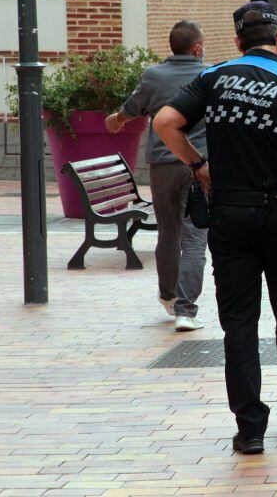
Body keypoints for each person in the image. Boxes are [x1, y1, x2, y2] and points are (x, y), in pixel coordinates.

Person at [153, 1, 277, 456]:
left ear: (237, 41)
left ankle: (250, 427)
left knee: (240, 325)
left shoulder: (213, 78)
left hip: (230, 219)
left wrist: (199, 165)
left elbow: (165, 122)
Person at [104, 20, 209, 332]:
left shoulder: (153, 75)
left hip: (162, 167)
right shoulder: (209, 76)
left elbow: (133, 107)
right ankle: (186, 311)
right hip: (197, 166)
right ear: (198, 48)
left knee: (168, 233)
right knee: (194, 238)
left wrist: (118, 119)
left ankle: (167, 294)